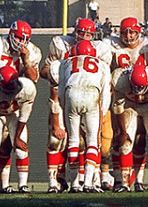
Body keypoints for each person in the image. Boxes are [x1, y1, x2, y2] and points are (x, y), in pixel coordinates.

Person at [50, 39, 111, 193]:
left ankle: (75, 183)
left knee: (73, 141)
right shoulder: (102, 64)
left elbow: (61, 88)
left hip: (71, 93)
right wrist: (102, 113)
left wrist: (66, 107)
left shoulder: (66, 62)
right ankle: (89, 183)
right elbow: (105, 94)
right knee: (92, 141)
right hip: (92, 93)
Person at [109, 56, 148, 192]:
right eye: (134, 86)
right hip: (129, 105)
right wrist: (122, 132)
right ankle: (125, 184)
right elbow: (118, 106)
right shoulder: (119, 79)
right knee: (125, 144)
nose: (137, 90)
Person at [0, 64, 36, 193]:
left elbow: (24, 115)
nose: (13, 89)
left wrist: (17, 138)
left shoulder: (27, 88)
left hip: (14, 115)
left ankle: (23, 185)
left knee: (21, 149)